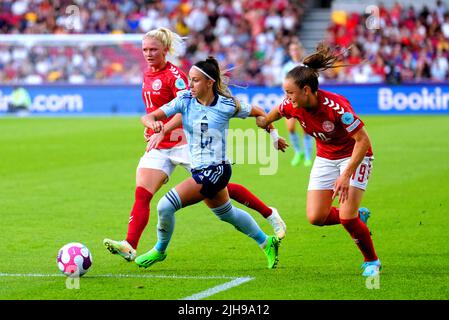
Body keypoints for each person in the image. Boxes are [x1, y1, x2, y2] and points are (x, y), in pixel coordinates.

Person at [103, 28, 287, 263]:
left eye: (153, 50)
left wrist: (272, 132)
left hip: (187, 145)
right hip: (164, 147)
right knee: (219, 210)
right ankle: (130, 244)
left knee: (174, 203)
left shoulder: (189, 86)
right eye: (145, 50)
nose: (148, 54)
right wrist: (153, 125)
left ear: (165, 50)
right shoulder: (160, 81)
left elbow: (189, 110)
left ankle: (268, 213)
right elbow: (169, 110)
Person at [135, 56, 283, 269]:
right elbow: (150, 116)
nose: (190, 85)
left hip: (217, 170)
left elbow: (260, 113)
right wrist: (154, 125)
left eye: (195, 80)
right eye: (189, 79)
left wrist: (274, 136)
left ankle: (159, 250)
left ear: (209, 83)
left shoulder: (226, 105)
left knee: (164, 206)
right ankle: (266, 242)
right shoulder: (185, 100)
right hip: (199, 170)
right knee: (227, 214)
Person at [257, 42, 381, 277]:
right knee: (316, 217)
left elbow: (362, 141)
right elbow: (267, 118)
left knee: (346, 217)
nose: (287, 98)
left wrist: (345, 176)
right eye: (285, 93)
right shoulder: (290, 105)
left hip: (355, 155)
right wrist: (269, 130)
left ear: (306, 90)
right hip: (326, 156)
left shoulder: (335, 108)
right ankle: (358, 216)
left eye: (290, 93)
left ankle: (372, 261)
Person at [281, 41, 313, 167]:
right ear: (290, 52)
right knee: (290, 127)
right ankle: (298, 152)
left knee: (306, 129)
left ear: (300, 50)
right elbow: (283, 84)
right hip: (290, 100)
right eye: (292, 49)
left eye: (296, 49)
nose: (295, 51)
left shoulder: (306, 66)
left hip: (304, 101)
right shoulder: (286, 67)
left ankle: (308, 156)